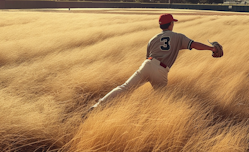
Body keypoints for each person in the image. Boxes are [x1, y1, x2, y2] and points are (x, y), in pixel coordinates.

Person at [90, 13, 223, 110]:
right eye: (173, 22)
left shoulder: (153, 39)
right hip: (161, 70)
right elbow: (194, 45)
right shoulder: (177, 36)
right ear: (171, 24)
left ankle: (97, 106)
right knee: (162, 99)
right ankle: (155, 118)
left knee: (124, 88)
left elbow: (148, 56)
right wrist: (211, 48)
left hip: (147, 64)